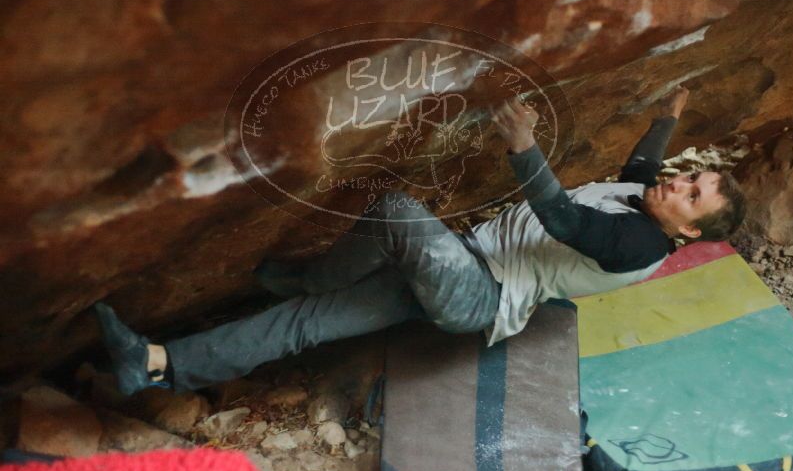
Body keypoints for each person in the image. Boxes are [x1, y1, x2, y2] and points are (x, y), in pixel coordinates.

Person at [95, 86, 746, 395]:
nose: (679, 184)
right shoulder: (645, 198)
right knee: (307, 325)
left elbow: (568, 223)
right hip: (462, 263)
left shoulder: (636, 247)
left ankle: (314, 275)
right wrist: (668, 117)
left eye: (693, 195)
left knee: (400, 212)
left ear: (688, 233)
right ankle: (156, 364)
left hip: (477, 295)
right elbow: (642, 167)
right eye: (692, 178)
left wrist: (523, 147)